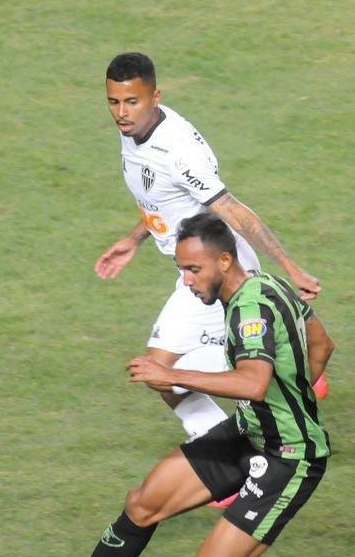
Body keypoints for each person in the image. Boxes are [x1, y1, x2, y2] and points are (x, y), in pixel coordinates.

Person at [2, 213, 343, 557]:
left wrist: (172, 374)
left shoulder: (249, 311)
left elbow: (253, 382)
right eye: (182, 269)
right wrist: (295, 395)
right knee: (143, 503)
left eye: (194, 269)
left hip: (290, 457)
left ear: (225, 261)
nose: (186, 280)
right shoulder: (270, 285)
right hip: (249, 432)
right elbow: (323, 344)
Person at [95, 51, 325, 442]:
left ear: (155, 97)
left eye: (132, 102)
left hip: (218, 268)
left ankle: (249, 417)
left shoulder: (179, 152)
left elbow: (233, 210)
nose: (121, 113)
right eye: (114, 102)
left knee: (163, 373)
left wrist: (290, 266)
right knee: (162, 374)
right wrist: (134, 238)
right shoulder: (133, 129)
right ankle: (237, 430)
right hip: (193, 265)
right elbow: (164, 198)